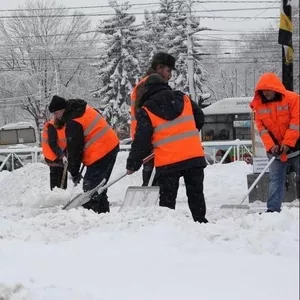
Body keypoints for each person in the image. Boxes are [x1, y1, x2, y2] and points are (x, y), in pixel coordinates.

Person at [126, 74, 208, 223]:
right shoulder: (183, 98)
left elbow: (141, 141)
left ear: (148, 90)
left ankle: (168, 228)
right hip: (193, 158)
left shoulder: (147, 110)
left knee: (168, 200)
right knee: (196, 194)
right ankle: (201, 222)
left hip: (168, 163)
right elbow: (200, 118)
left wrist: (133, 164)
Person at [48, 95, 120, 214]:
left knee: (90, 188)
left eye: (55, 113)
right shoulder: (81, 109)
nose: (55, 116)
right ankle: (103, 215)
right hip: (110, 145)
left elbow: (75, 150)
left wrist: (74, 172)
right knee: (98, 187)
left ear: (61, 110)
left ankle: (92, 216)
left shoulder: (73, 121)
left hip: (102, 150)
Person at [250, 72, 300, 213]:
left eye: (268, 89)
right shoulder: (258, 106)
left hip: (296, 148)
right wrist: (272, 147)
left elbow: (296, 124)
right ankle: (272, 210)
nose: (265, 93)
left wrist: (288, 144)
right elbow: (262, 130)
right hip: (276, 152)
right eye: (262, 90)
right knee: (275, 179)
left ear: (275, 88)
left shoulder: (293, 99)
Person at [130, 52, 176, 186]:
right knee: (153, 175)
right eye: (168, 70)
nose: (170, 75)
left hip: (148, 135)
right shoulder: (149, 85)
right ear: (159, 68)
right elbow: (147, 113)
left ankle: (152, 196)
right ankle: (152, 199)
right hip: (149, 136)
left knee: (152, 172)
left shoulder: (149, 83)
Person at [41, 118, 68, 190]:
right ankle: (56, 197)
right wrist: (62, 156)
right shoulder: (52, 126)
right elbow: (52, 143)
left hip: (60, 156)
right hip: (53, 157)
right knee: (56, 181)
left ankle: (62, 195)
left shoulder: (64, 124)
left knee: (62, 178)